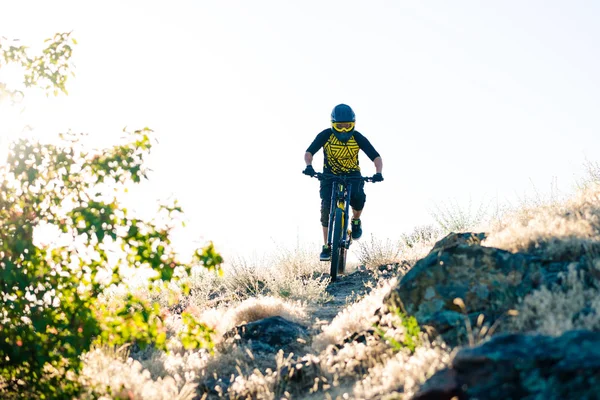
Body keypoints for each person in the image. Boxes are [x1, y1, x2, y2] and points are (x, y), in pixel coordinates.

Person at [302, 103, 383, 261]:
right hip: (329, 175)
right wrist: (309, 166)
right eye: (340, 126)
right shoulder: (325, 135)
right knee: (326, 208)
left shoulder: (357, 137)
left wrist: (378, 173)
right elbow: (309, 152)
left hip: (352, 174)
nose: (344, 130)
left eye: (347, 126)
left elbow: (376, 157)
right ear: (333, 124)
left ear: (353, 124)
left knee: (359, 198)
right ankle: (326, 246)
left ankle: (356, 220)